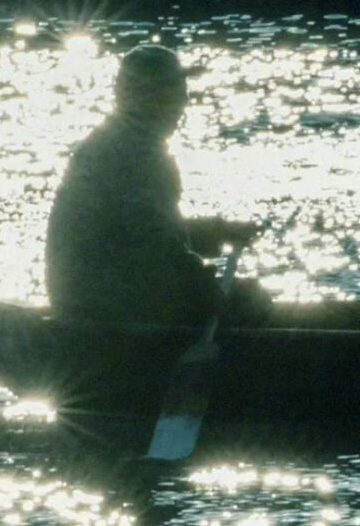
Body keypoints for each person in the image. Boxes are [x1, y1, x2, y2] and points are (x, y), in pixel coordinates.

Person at [46, 43, 265, 328]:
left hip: (81, 297)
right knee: (251, 301)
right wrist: (212, 293)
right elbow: (157, 248)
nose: (183, 102)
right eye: (174, 92)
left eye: (182, 92)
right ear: (149, 98)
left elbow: (139, 233)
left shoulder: (108, 142)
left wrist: (218, 232)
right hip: (106, 307)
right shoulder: (138, 156)